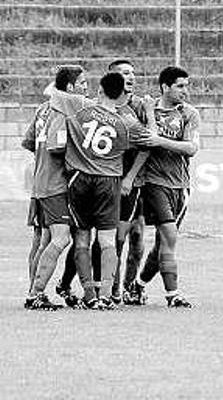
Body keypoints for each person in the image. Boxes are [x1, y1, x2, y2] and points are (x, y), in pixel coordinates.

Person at [50, 72, 153, 308]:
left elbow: (52, 93)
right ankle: (106, 295)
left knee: (82, 239)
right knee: (107, 240)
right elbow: (150, 140)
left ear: (100, 90)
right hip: (108, 181)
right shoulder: (126, 122)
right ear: (121, 94)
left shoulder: (80, 107)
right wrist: (149, 113)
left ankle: (89, 296)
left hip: (79, 179)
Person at [127, 66, 200, 308]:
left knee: (162, 245)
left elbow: (191, 148)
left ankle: (137, 285)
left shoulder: (189, 113)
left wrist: (161, 141)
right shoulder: (146, 110)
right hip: (154, 183)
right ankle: (173, 294)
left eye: (186, 86)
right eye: (180, 86)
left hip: (181, 186)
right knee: (169, 235)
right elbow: (144, 141)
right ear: (165, 87)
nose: (185, 91)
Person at [21, 65, 87, 310]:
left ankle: (33, 292)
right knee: (62, 238)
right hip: (55, 185)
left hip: (39, 183)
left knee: (42, 239)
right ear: (70, 87)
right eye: (82, 83)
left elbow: (28, 142)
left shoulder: (43, 109)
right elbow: (56, 146)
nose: (85, 88)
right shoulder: (61, 110)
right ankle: (35, 293)